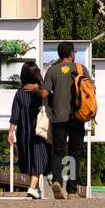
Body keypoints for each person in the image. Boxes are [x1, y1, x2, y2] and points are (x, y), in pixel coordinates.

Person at [32, 41, 87, 199]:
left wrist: (36, 89)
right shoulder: (81, 69)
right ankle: (72, 190)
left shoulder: (52, 70)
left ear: (59, 54)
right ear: (72, 54)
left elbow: (44, 94)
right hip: (77, 117)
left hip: (58, 117)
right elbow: (91, 89)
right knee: (75, 153)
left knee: (58, 151)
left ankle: (57, 180)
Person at [8, 61, 49, 199]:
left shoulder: (19, 93)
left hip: (24, 132)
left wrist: (10, 132)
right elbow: (50, 98)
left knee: (30, 158)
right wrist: (38, 87)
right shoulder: (41, 92)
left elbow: (15, 115)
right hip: (38, 130)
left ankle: (35, 189)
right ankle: (32, 187)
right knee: (39, 157)